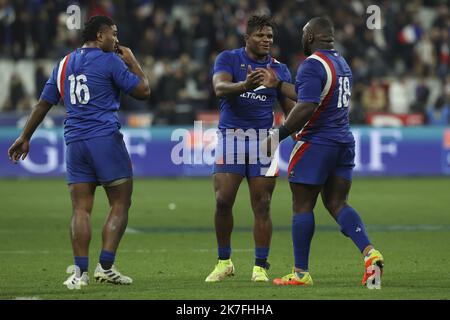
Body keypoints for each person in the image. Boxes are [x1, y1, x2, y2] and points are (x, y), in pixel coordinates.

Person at [7, 15, 150, 289]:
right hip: (105, 139)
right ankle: (105, 267)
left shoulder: (63, 63)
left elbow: (43, 104)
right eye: (114, 34)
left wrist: (25, 137)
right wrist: (131, 60)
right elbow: (143, 91)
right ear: (100, 36)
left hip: (74, 143)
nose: (117, 40)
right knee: (120, 202)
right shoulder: (111, 61)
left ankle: (80, 274)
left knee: (80, 209)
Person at [260, 17, 384, 286]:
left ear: (312, 37)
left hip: (317, 143)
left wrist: (278, 135)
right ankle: (370, 253)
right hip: (343, 143)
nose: (302, 38)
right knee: (338, 203)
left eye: (305, 34)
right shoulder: (341, 63)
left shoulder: (311, 65)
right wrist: (279, 85)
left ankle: (301, 273)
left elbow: (307, 106)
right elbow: (312, 94)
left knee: (302, 205)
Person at [205, 15, 294, 282]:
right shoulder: (228, 59)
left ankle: (259, 267)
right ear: (247, 38)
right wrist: (245, 85)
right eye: (261, 35)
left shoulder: (280, 70)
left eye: (269, 36)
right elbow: (219, 88)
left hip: (263, 140)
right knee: (223, 201)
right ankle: (224, 262)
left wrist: (281, 136)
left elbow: (291, 112)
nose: (266, 40)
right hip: (231, 137)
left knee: (263, 204)